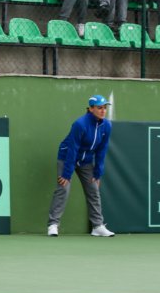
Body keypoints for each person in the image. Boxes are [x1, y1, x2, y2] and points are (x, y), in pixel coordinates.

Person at [47, 94, 115, 238]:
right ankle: (53, 225)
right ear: (91, 109)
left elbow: (102, 150)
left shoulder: (107, 125)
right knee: (63, 188)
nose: (103, 111)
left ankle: (97, 226)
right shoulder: (80, 124)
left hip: (86, 161)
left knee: (93, 189)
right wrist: (67, 173)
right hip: (67, 158)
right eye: (99, 108)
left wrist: (98, 173)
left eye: (104, 108)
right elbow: (73, 149)